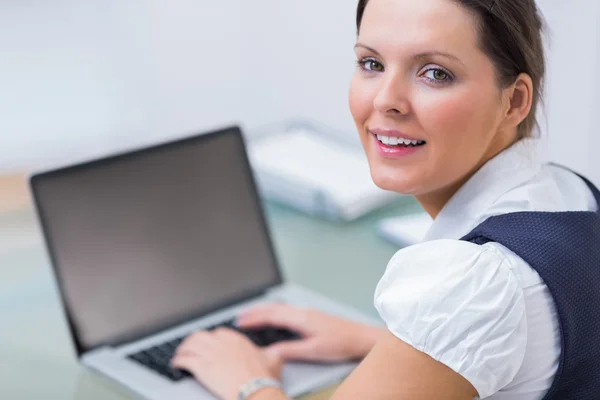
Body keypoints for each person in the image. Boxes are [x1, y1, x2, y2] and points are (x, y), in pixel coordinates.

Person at [170, 0, 600, 398]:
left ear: (515, 101)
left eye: (435, 73)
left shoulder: (473, 282)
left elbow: (485, 306)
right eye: (371, 63)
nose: (385, 100)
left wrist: (248, 380)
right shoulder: (570, 193)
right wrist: (376, 341)